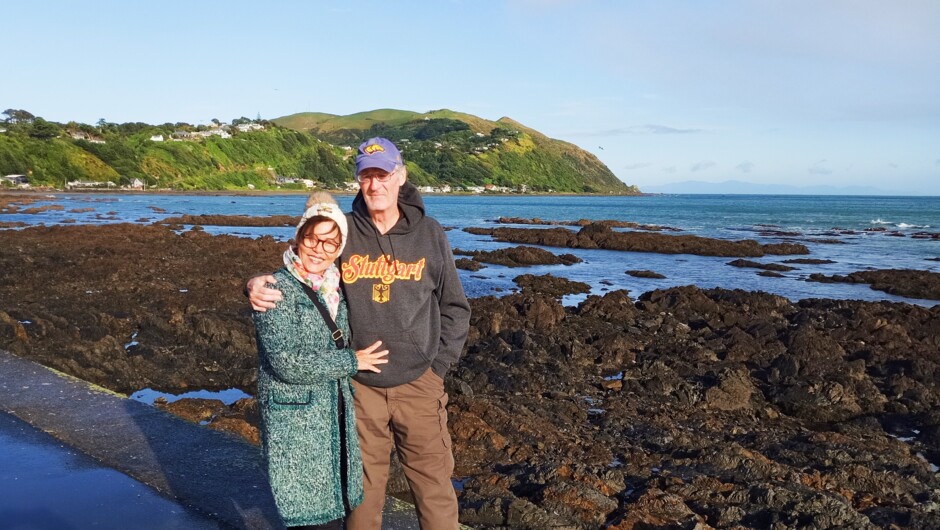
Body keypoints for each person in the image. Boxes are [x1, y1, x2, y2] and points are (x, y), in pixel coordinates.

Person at [249, 137, 471, 530]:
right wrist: (257, 283)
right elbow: (307, 267)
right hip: (358, 385)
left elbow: (454, 306)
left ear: (400, 176)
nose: (375, 185)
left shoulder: (430, 233)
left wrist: (438, 368)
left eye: (383, 174)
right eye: (366, 176)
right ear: (358, 181)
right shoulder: (347, 231)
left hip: (420, 384)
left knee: (433, 487)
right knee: (363, 493)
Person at [253, 192, 389, 530]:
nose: (319, 249)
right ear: (299, 237)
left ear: (339, 249)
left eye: (330, 243)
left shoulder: (337, 287)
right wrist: (352, 361)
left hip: (333, 417)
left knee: (334, 510)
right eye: (313, 238)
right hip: (296, 424)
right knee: (310, 518)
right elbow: (287, 362)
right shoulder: (274, 287)